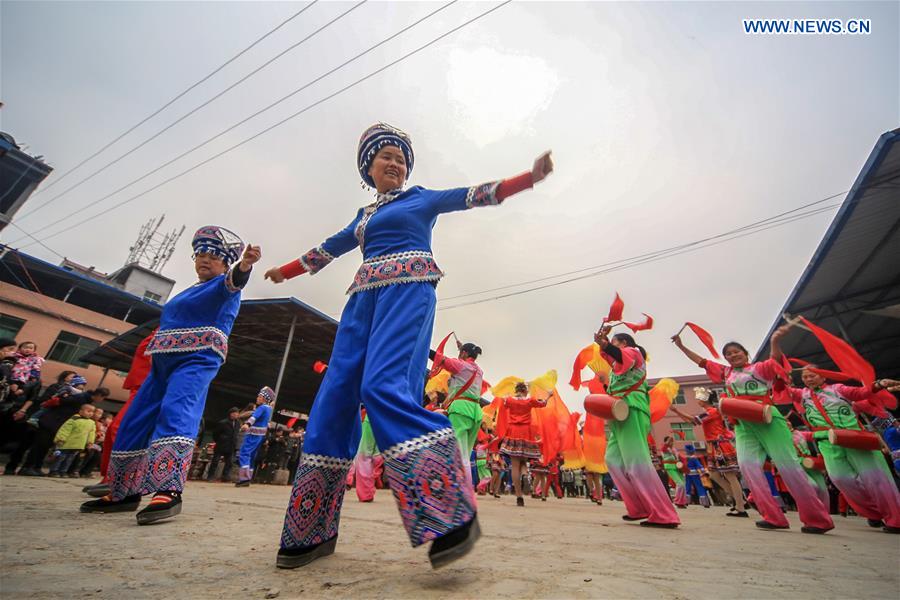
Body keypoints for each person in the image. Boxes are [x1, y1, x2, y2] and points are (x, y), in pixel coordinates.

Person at [266, 123, 553, 569]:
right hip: (361, 300)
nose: (395, 164)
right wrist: (284, 272)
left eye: (401, 158)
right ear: (369, 168)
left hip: (408, 290)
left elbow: (472, 195)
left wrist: (527, 178)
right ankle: (310, 529)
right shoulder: (362, 217)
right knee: (335, 397)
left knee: (382, 386)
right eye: (386, 156)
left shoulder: (421, 198)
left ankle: (450, 514)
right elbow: (325, 250)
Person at [80, 226, 260, 524]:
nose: (204, 259)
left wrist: (245, 266)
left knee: (176, 411)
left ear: (225, 262)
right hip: (162, 363)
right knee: (135, 420)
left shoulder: (224, 285)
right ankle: (124, 491)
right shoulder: (187, 291)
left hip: (197, 358)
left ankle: (168, 490)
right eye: (200, 254)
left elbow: (236, 280)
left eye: (213, 255)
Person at [671, 326, 834, 533]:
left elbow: (775, 360)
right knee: (748, 468)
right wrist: (681, 346)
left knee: (789, 467)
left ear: (745, 353)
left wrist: (775, 341)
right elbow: (701, 361)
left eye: (736, 351)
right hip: (743, 424)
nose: (733, 355)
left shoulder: (760, 368)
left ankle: (817, 519)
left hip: (767, 418)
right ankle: (772, 516)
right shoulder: (726, 373)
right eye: (728, 354)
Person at [784, 363, 900, 534]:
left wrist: (879, 384)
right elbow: (782, 390)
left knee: (877, 479)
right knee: (841, 479)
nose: (808, 379)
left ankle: (895, 520)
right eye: (805, 377)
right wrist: (779, 374)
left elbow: (861, 393)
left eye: (812, 375)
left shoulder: (837, 389)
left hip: (855, 438)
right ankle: (874, 512)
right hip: (828, 443)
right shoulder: (802, 395)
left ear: (823, 376)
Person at [594, 327, 680, 528]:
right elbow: (613, 359)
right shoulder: (616, 368)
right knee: (613, 461)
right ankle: (639, 507)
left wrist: (604, 344)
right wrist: (604, 345)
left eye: (615, 342)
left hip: (632, 408)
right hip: (619, 412)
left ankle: (664, 514)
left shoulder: (634, 353)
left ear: (624, 343)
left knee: (637, 463)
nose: (611, 347)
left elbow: (618, 355)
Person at [670, 388, 748, 516]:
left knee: (730, 476)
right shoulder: (709, 412)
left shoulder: (712, 412)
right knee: (714, 475)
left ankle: (741, 507)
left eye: (699, 398)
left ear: (704, 399)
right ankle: (740, 501)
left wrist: (676, 410)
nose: (697, 400)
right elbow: (692, 421)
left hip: (719, 445)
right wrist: (675, 411)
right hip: (713, 446)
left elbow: (694, 419)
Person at [20, 386, 109, 476]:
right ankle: (27, 467)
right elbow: (61, 402)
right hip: (52, 421)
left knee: (45, 447)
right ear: (99, 395)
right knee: (40, 445)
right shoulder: (80, 397)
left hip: (57, 423)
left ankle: (37, 467)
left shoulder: (86, 399)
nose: (102, 400)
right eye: (103, 398)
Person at [435, 342, 485, 491]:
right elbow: (465, 363)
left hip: (460, 410)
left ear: (464, 353)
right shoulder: (479, 370)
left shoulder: (460, 366)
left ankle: (463, 490)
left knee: (460, 453)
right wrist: (463, 349)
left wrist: (424, 348)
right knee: (466, 454)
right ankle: (463, 488)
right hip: (475, 412)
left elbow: (439, 358)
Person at [497, 381, 546, 507]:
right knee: (524, 461)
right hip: (526, 432)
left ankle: (519, 496)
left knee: (514, 465)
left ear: (516, 390)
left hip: (513, 431)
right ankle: (525, 475)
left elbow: (503, 404)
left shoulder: (509, 400)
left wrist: (506, 396)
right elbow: (543, 403)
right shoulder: (530, 400)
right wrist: (549, 395)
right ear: (525, 390)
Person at [236, 387, 275, 487]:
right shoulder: (269, 409)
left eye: (259, 396)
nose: (257, 398)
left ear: (264, 398)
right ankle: (248, 477)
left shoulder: (261, 408)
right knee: (252, 456)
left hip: (253, 434)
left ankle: (244, 479)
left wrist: (247, 424)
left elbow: (254, 417)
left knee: (244, 453)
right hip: (260, 435)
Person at [48, 404, 96, 477]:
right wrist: (61, 439)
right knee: (60, 457)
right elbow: (65, 430)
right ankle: (53, 471)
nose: (90, 413)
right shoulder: (73, 419)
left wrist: (90, 442)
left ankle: (63, 471)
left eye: (92, 412)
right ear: (81, 411)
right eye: (88, 411)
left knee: (69, 459)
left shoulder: (91, 423)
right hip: (66, 444)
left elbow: (91, 433)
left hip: (78, 445)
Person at [207, 407, 241, 482]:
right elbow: (215, 433)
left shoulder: (238, 423)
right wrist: (220, 440)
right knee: (215, 461)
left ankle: (225, 476)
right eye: (235, 413)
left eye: (237, 413)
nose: (237, 415)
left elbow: (236, 433)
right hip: (221, 444)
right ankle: (210, 476)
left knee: (229, 462)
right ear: (231, 414)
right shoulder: (223, 422)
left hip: (231, 445)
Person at [661, 436, 688, 508]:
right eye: (669, 441)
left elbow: (681, 458)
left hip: (678, 467)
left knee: (683, 484)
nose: (671, 442)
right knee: (680, 484)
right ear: (666, 442)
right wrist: (668, 442)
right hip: (670, 467)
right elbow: (664, 448)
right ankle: (677, 501)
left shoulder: (674, 449)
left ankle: (682, 502)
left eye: (672, 441)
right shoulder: (665, 448)